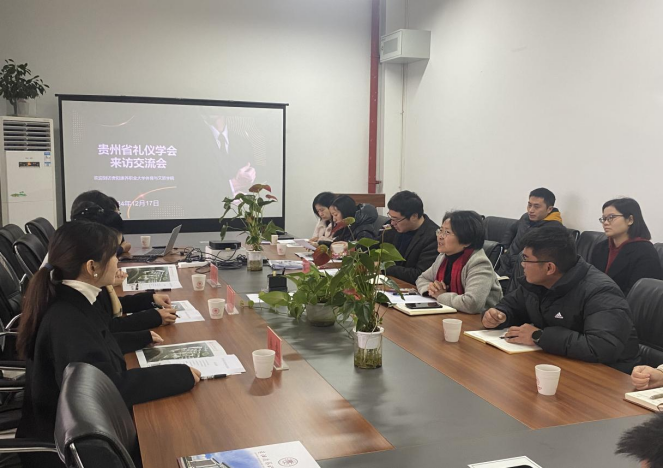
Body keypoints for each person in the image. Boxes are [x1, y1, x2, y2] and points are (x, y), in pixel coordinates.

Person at [16, 221, 199, 468]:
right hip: (67, 451)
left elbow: (101, 339)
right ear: (92, 267)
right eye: (114, 255)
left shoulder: (71, 298)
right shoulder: (67, 319)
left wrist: (141, 337)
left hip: (85, 436)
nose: (118, 261)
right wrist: (180, 374)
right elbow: (109, 389)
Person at [482, 225, 640, 373]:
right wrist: (499, 315)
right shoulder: (536, 282)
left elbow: (602, 347)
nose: (522, 264)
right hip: (559, 362)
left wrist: (539, 336)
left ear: (549, 268)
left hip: (608, 374)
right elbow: (512, 306)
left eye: (526, 259)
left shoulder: (601, 292)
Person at [415, 211, 502, 314]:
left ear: (467, 241)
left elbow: (472, 304)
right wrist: (431, 290)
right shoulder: (443, 257)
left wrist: (441, 296)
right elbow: (422, 278)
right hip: (451, 313)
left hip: (478, 320)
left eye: (447, 232)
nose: (440, 236)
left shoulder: (479, 263)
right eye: (440, 230)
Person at [590, 198, 662, 295]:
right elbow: (590, 280)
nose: (605, 223)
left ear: (630, 220)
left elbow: (639, 294)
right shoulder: (600, 247)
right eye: (604, 219)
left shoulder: (645, 252)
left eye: (611, 217)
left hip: (622, 303)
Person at [496, 187, 563, 277]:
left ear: (549, 209)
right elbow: (512, 230)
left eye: (536, 206)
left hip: (523, 271)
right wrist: (504, 248)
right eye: (529, 205)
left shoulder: (554, 228)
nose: (531, 210)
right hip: (504, 263)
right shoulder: (525, 217)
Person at [381, 190, 439, 284]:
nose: (392, 223)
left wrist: (385, 267)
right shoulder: (394, 227)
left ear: (414, 216)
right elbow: (377, 243)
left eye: (396, 219)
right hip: (391, 282)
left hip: (412, 288)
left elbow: (420, 274)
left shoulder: (433, 237)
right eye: (391, 217)